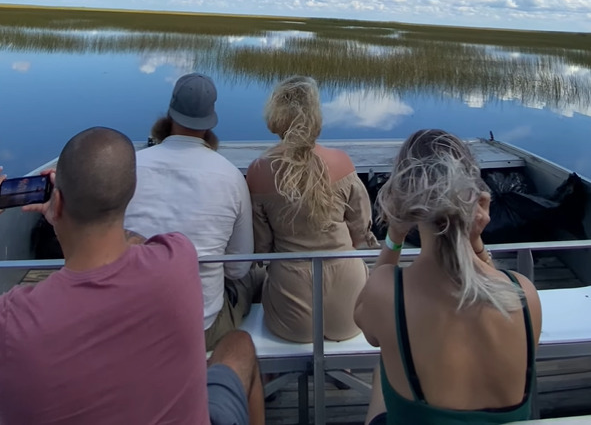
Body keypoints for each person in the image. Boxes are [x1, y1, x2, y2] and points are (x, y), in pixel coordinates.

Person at [0, 127, 264, 425]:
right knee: (239, 345)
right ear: (130, 196)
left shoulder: (12, 320)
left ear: (57, 203)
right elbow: (134, 241)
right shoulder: (177, 260)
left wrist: (61, 217)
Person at [354, 129, 542, 425]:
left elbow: (368, 325)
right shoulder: (524, 294)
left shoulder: (388, 293)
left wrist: (394, 236)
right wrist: (476, 242)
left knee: (387, 361)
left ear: (403, 200)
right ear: (476, 201)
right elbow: (481, 282)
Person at [125, 73, 256, 350]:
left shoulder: (130, 166)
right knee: (252, 276)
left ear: (170, 112)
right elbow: (237, 268)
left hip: (133, 321)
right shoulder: (231, 177)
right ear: (211, 120)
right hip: (199, 329)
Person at [246, 75, 377, 342]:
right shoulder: (342, 162)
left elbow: (262, 248)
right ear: (315, 115)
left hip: (291, 307)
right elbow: (361, 234)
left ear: (276, 117)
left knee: (253, 277)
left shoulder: (259, 170)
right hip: (350, 307)